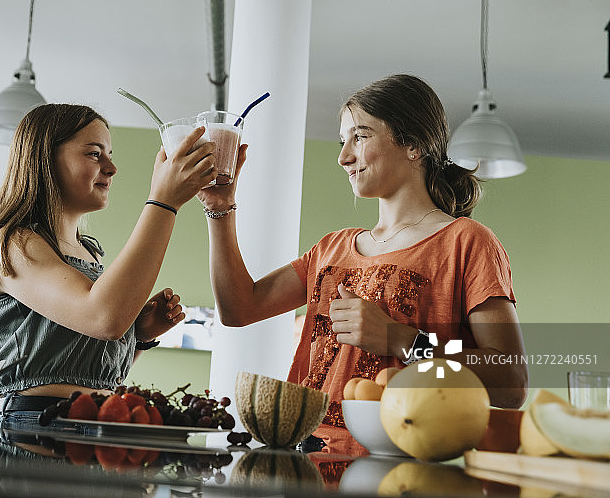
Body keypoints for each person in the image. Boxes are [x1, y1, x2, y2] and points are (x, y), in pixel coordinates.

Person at [197, 74, 528, 454]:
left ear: (413, 144)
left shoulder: (467, 243)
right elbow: (239, 308)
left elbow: (510, 380)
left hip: (399, 472)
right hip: (304, 464)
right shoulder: (331, 248)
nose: (343, 157)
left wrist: (403, 340)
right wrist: (219, 208)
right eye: (343, 141)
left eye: (361, 136)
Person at [0, 103, 216, 426]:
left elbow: (88, 370)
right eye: (95, 154)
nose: (112, 168)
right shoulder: (11, 243)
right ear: (45, 159)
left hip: (93, 428)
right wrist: (164, 201)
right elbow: (104, 317)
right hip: (33, 435)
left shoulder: (89, 254)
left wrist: (137, 337)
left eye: (108, 154)